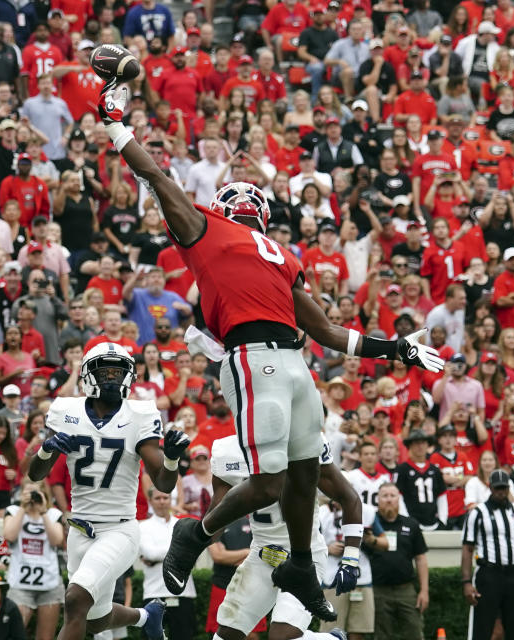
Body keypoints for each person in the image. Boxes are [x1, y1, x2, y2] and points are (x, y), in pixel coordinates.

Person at [95, 76, 443, 619]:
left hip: (293, 361)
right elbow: (158, 177)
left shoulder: (280, 253)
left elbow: (328, 331)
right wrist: (117, 128)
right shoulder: (207, 230)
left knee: (306, 471)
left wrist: (396, 350)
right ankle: (195, 533)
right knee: (268, 481)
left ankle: (301, 564)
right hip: (253, 356)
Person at [27, 342, 189, 640]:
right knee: (91, 619)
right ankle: (146, 617)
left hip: (119, 530)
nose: (113, 378)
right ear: (89, 375)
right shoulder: (66, 409)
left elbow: (164, 483)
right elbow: (34, 473)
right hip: (79, 530)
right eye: (106, 372)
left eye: (118, 371)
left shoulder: (138, 414)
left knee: (75, 600)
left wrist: (172, 457)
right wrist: (46, 450)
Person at [210, 433, 366, 640]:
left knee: (281, 637)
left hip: (304, 557)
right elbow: (216, 516)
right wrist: (192, 541)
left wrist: (350, 559)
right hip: (262, 556)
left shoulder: (306, 440)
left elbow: (350, 498)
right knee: (225, 636)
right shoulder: (227, 451)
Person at [461, 469, 514, 640]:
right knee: (483, 627)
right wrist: (467, 582)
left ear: (508, 489)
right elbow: (468, 549)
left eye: (503, 488)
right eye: (497, 488)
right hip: (489, 573)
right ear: (490, 488)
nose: (500, 492)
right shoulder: (478, 513)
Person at [3, 482, 65, 640]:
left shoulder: (53, 514)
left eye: (35, 492)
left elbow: (57, 540)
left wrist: (43, 512)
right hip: (20, 583)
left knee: (46, 637)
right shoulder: (13, 511)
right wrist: (23, 508)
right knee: (13, 633)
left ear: (44, 493)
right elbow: (9, 535)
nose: (32, 496)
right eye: (28, 491)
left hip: (49, 582)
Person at [368, 482, 429, 640]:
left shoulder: (411, 524)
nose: (389, 499)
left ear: (398, 499)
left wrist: (424, 591)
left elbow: (421, 558)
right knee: (381, 636)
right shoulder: (368, 526)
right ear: (378, 500)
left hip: (406, 590)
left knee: (414, 633)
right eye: (385, 496)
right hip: (378, 590)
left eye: (392, 496)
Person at [139, 489, 196, 640]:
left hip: (184, 593)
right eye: (158, 498)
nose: (162, 501)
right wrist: (179, 552)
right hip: (153, 593)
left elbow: (192, 551)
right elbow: (149, 553)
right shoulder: (142, 526)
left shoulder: (182, 524)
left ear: (171, 500)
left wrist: (156, 558)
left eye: (166, 497)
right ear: (150, 501)